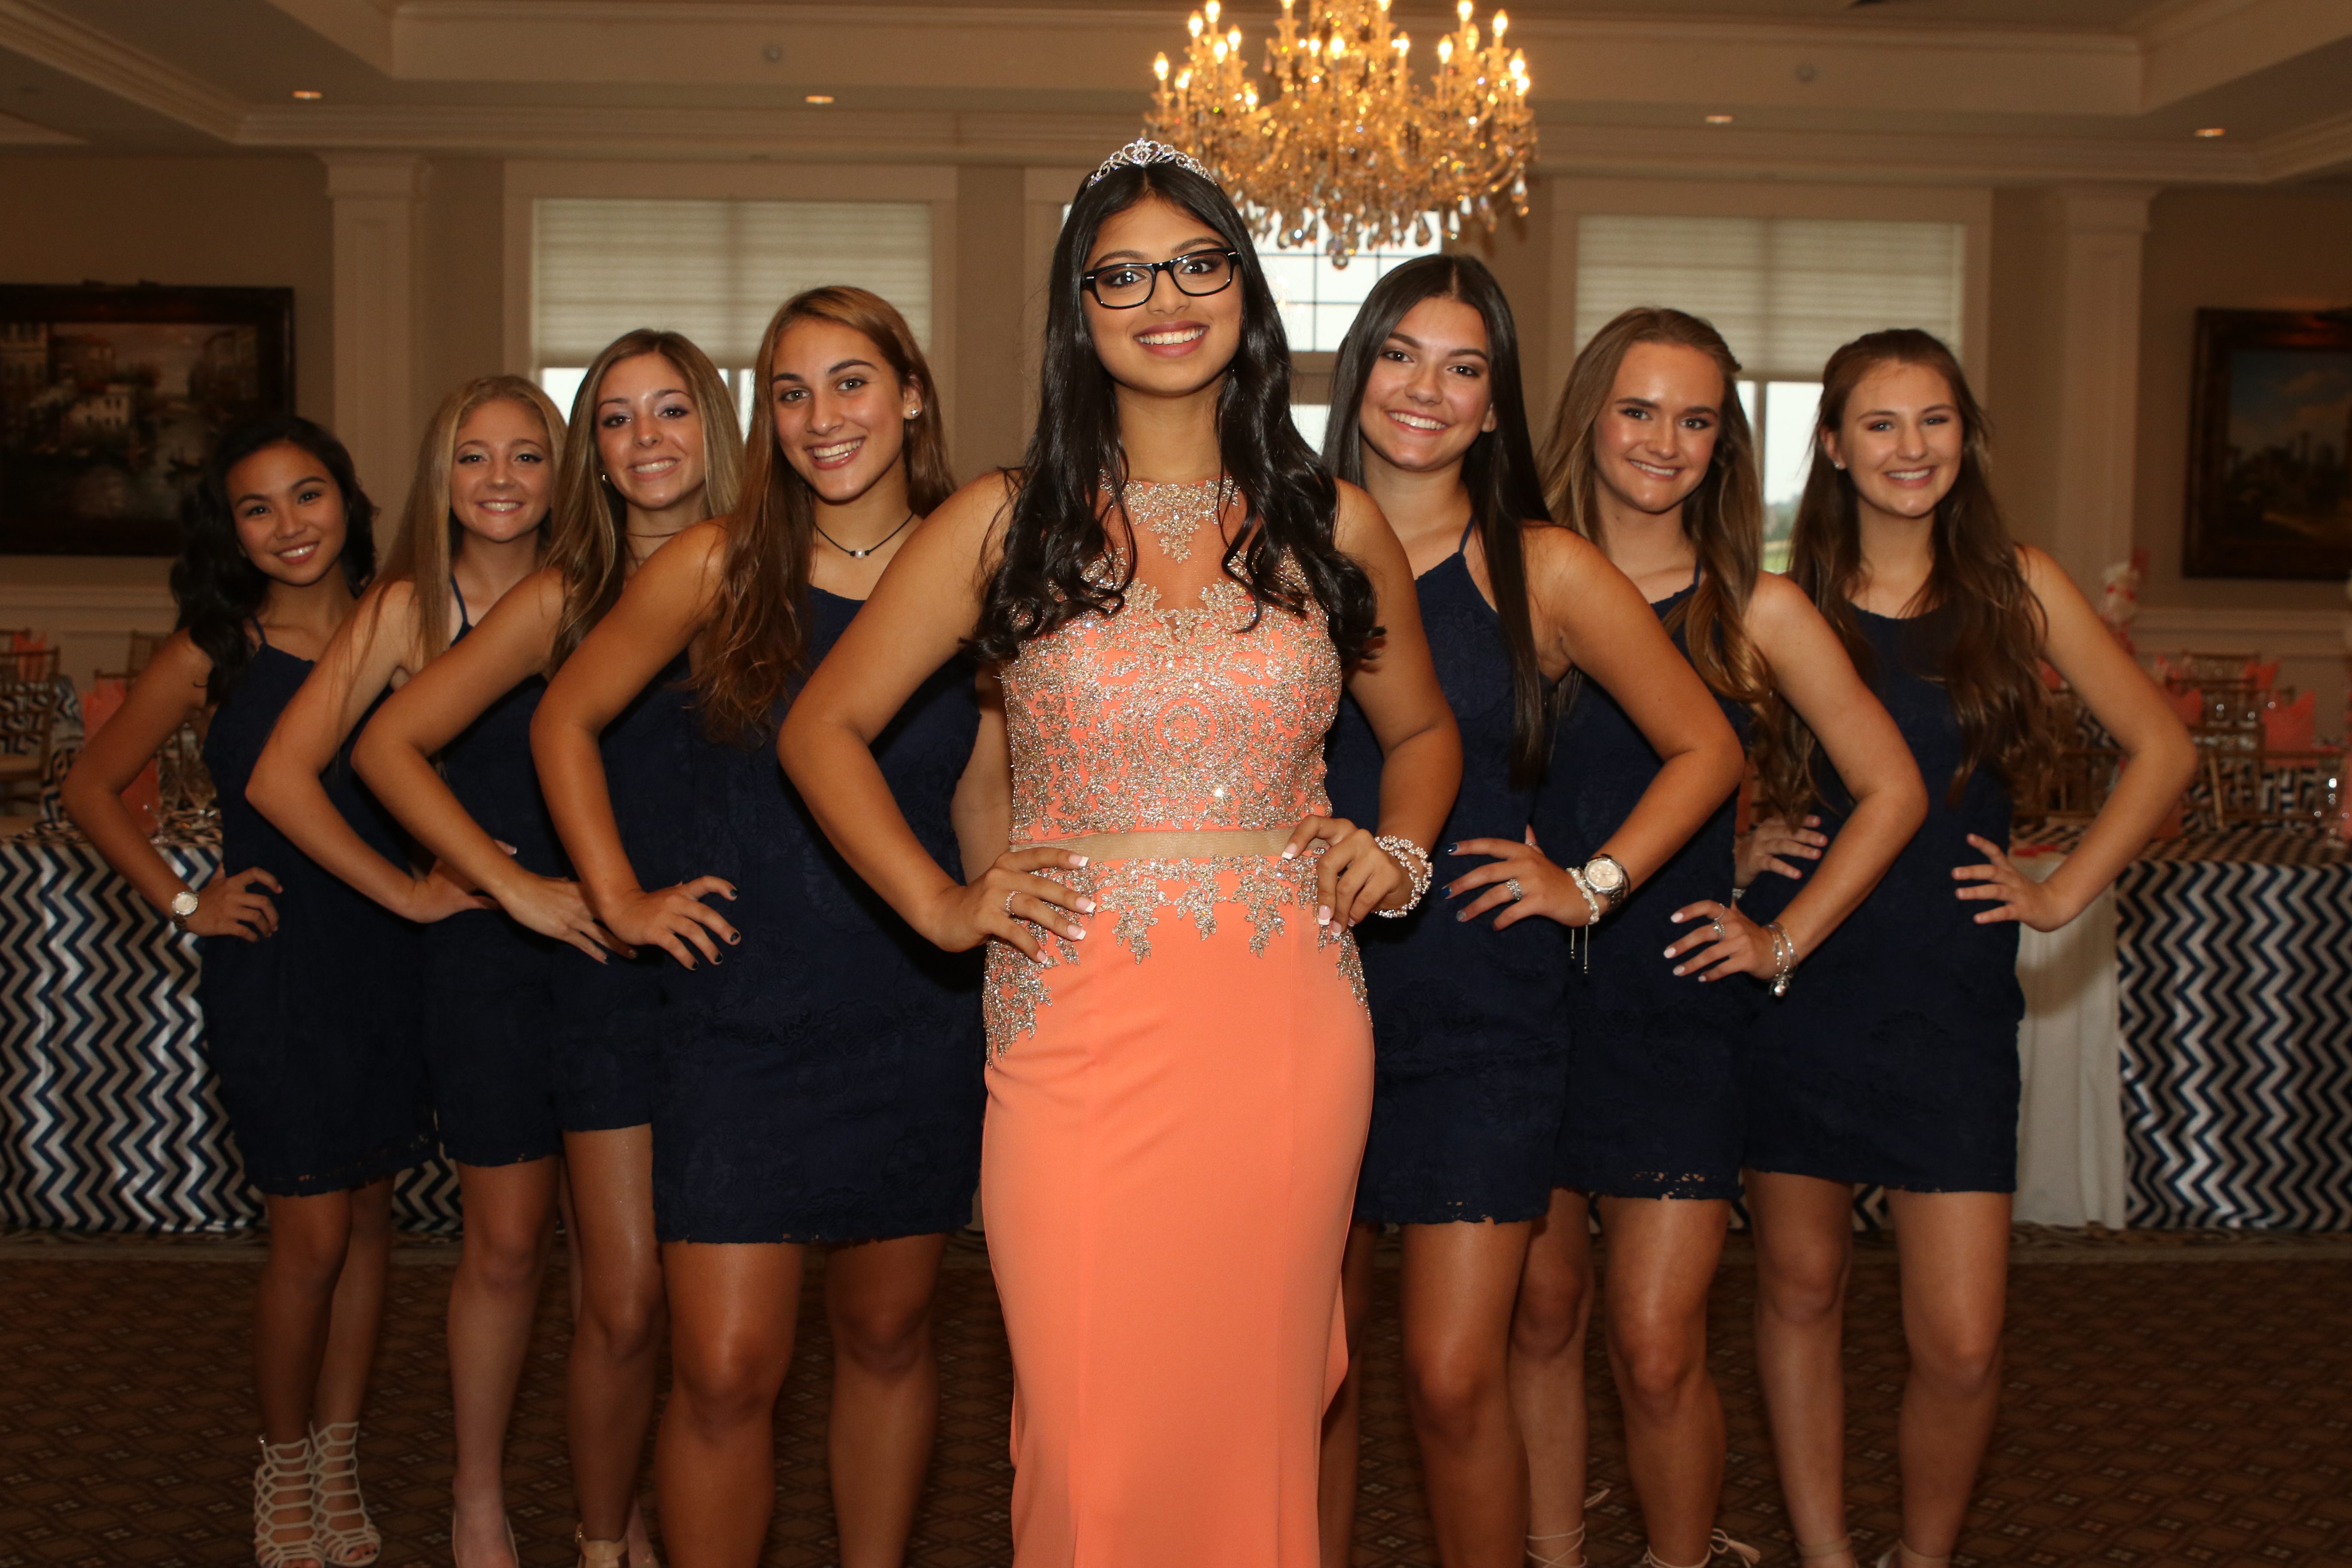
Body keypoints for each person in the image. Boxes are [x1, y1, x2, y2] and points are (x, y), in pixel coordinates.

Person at [778, 141, 1461, 1567]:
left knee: (1256, 1410)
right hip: (1076, 1018)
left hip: (1283, 1018)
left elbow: (1424, 732)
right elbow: (822, 728)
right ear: (1078, 312)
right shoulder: (1001, 517)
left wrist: (1399, 853)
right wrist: (940, 905)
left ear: (1245, 295)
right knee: (1091, 1431)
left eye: (1198, 265)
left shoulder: (1332, 521)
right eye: (1123, 275)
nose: (1165, 299)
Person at [531, 286, 993, 1568]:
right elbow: (564, 719)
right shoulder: (716, 563)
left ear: (911, 395)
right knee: (726, 1367)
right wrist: (619, 897)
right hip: (739, 1019)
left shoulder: (978, 572)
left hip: (913, 1008)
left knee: (889, 1337)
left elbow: (981, 788)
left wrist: (1002, 950)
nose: (819, 417)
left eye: (850, 383)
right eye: (790, 393)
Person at [1313, 261, 1746, 1568]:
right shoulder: (1277, 545)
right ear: (1358, 372)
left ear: (1498, 405)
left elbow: (1706, 750)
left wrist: (1591, 884)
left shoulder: (1543, 568)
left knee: (1453, 1376)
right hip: (1302, 998)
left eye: (1464, 368)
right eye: (1401, 355)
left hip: (1483, 1019)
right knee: (1315, 1376)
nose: (1426, 391)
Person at [1738, 329, 2194, 1568]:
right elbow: (1680, 747)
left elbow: (2163, 750)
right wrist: (1739, 844)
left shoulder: (2018, 586)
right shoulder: (1780, 602)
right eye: (1880, 424)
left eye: (1934, 420)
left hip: (1951, 997)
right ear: (1833, 446)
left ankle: (1924, 1557)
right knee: (1799, 1293)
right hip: (1803, 984)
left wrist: (2061, 895)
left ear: (1966, 437)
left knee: (1963, 1341)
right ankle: (1827, 1555)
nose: (1911, 448)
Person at [1507, 308, 1928, 1568]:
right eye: (1639, 410)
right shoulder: (1511, 579)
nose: (1665, 441)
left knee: (1654, 1346)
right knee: (1540, 1318)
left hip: (1675, 1009)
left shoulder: (1758, 607)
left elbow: (1893, 791)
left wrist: (1780, 939)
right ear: (1590, 418)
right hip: (1520, 994)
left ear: (1724, 448)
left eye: (1697, 420)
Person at [353, 330, 743, 1568]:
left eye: (670, 410)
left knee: (729, 1320)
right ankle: (598, 1537)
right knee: (621, 1303)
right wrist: (516, 889)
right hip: (609, 987)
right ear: (596, 452)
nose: (646, 440)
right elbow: (387, 748)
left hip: (752, 979)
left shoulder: (768, 575)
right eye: (616, 419)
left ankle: (666, 1519)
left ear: (713, 425)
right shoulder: (566, 597)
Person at [61, 415, 432, 1568]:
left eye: (307, 495)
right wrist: (186, 902)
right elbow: (89, 786)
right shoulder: (213, 649)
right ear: (231, 531)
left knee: (368, 1222)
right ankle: (280, 1465)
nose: (288, 526)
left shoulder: (406, 622)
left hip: (390, 958)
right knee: (310, 1233)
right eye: (256, 509)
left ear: (347, 500)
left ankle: (336, 1457)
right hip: (274, 964)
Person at [249, 375, 581, 1568]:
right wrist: (412, 892)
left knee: (621, 1266)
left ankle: (609, 1499)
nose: (500, 480)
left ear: (562, 474)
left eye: (526, 455)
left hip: (609, 945)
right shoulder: (404, 609)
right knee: (507, 1245)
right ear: (439, 476)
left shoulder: (599, 590)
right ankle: (473, 1500)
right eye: (472, 456)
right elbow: (281, 779)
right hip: (485, 952)